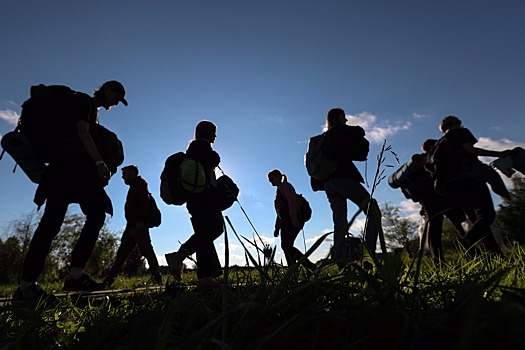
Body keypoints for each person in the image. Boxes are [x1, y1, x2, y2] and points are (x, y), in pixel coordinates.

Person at [13, 80, 128, 307]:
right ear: (109, 89)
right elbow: (81, 131)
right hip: (70, 169)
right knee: (58, 222)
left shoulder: (90, 109)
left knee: (87, 215)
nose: (115, 103)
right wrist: (99, 162)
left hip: (68, 170)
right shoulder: (84, 101)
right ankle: (29, 287)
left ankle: (73, 276)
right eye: (117, 97)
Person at [433, 115, 515, 256]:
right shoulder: (461, 133)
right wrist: (499, 153)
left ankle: (496, 254)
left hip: (453, 187)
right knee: (487, 215)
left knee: (477, 220)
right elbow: (470, 150)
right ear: (457, 124)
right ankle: (467, 241)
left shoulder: (439, 144)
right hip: (470, 179)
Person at [165, 120, 224, 289]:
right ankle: (179, 256)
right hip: (204, 198)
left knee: (204, 236)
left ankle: (204, 279)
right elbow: (213, 160)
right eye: (213, 132)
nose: (215, 136)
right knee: (214, 229)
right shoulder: (201, 147)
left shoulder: (192, 148)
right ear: (207, 133)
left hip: (195, 199)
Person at [321, 108, 382, 267]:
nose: (346, 120)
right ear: (337, 118)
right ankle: (368, 258)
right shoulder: (338, 132)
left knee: (339, 222)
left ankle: (341, 262)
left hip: (328, 183)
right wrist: (356, 131)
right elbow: (358, 135)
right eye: (344, 117)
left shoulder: (325, 137)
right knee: (373, 211)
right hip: (343, 178)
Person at [102, 165, 162, 288]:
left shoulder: (140, 183)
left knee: (147, 252)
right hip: (130, 227)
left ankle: (158, 280)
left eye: (125, 174)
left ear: (132, 173)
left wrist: (140, 220)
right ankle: (108, 281)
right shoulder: (133, 186)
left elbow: (145, 201)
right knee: (121, 255)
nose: (123, 176)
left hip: (139, 226)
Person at [267, 169, 316, 272]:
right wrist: (277, 228)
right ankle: (294, 270)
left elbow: (292, 202)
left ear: (277, 176)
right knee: (286, 246)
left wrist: (294, 217)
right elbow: (280, 212)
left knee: (286, 246)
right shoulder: (279, 191)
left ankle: (308, 267)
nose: (270, 181)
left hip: (292, 220)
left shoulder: (286, 186)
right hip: (286, 222)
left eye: (271, 178)